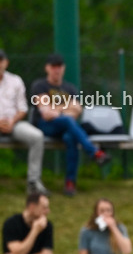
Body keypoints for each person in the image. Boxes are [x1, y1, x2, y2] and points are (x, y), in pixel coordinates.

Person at [29, 54, 110, 196]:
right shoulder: (40, 86)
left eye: (59, 66)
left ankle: (70, 183)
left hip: (65, 127)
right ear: (47, 68)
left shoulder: (70, 88)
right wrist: (65, 108)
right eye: (54, 66)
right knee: (68, 121)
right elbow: (46, 114)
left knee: (70, 137)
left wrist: (56, 108)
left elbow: (77, 110)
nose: (57, 70)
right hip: (45, 126)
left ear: (64, 68)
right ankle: (95, 152)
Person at [0, 50, 46, 194]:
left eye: (0, 61)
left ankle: (33, 182)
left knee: (37, 136)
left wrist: (12, 122)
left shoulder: (16, 80)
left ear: (6, 62)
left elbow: (22, 108)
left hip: (14, 123)